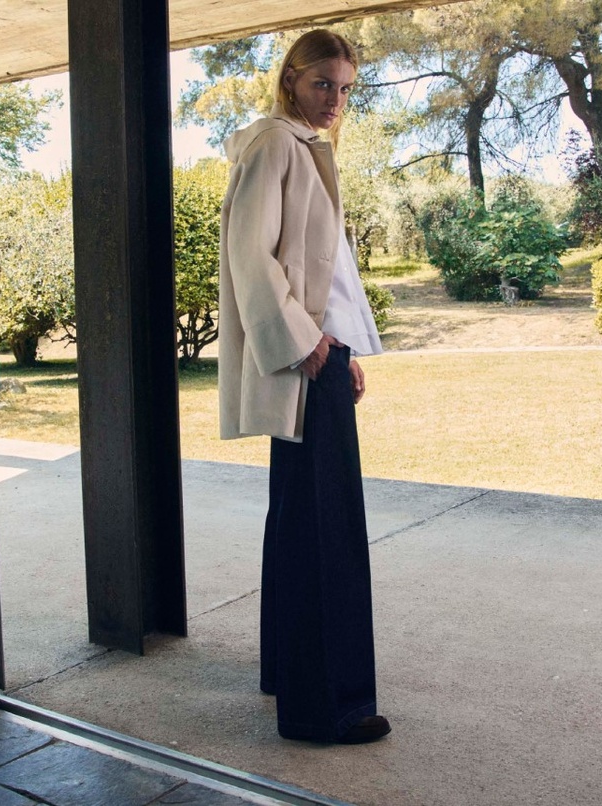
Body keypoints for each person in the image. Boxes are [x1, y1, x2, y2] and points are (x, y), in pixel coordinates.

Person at [217, 29, 389, 745]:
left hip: (318, 355)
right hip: (302, 358)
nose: (334, 100)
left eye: (345, 89)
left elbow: (326, 269)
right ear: (291, 79)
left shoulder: (305, 147)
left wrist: (341, 346)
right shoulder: (275, 144)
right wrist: (309, 343)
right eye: (323, 84)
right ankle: (325, 710)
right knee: (326, 530)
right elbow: (250, 256)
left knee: (299, 519)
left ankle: (289, 675)